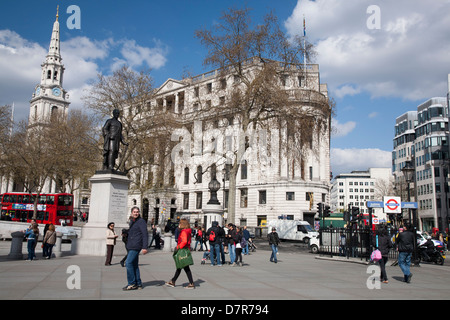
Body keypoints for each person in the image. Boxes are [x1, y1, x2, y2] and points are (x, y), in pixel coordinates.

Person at [123, 207, 148, 291]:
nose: (136, 213)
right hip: (131, 245)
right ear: (131, 213)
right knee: (134, 265)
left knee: (128, 263)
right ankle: (138, 283)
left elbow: (145, 234)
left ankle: (132, 283)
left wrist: (145, 247)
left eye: (137, 212)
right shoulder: (132, 221)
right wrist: (126, 232)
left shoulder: (141, 221)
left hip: (136, 245)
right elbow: (133, 232)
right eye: (134, 212)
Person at [165, 219, 196, 289]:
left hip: (183, 250)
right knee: (181, 267)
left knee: (183, 267)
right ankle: (173, 281)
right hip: (186, 249)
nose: (179, 224)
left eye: (180, 223)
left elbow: (184, 241)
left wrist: (178, 247)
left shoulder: (184, 232)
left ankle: (191, 283)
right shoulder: (188, 231)